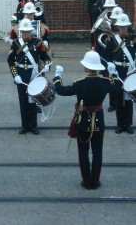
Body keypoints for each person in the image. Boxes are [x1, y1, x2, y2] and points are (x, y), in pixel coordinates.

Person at [53, 50, 120, 189]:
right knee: (97, 151)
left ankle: (86, 181)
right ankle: (95, 181)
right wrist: (114, 74)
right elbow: (118, 89)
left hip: (82, 121)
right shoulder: (105, 82)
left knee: (83, 151)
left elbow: (61, 90)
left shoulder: (80, 84)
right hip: (99, 121)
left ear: (86, 67)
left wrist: (57, 77)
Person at [7, 19, 51, 135]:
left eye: (27, 31)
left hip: (34, 74)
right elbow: (10, 60)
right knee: (23, 101)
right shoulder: (16, 43)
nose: (26, 33)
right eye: (23, 31)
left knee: (33, 101)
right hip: (21, 75)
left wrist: (47, 65)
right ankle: (24, 126)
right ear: (20, 31)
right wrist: (15, 75)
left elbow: (45, 57)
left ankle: (34, 126)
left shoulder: (38, 42)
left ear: (31, 31)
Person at [102, 13, 135, 134]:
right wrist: (109, 66)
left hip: (130, 72)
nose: (123, 28)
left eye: (125, 26)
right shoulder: (112, 40)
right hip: (117, 72)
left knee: (129, 100)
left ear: (128, 26)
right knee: (118, 99)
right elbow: (105, 56)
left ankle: (129, 124)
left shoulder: (133, 39)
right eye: (121, 26)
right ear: (118, 27)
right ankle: (120, 124)